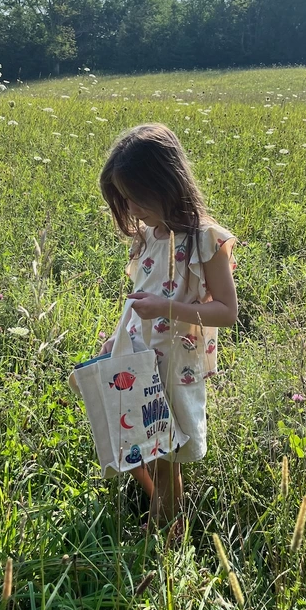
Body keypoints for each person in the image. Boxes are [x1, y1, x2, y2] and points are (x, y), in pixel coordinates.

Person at [99, 123, 238, 525]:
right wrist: (115, 340)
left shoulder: (205, 239)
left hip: (175, 366)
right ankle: (164, 508)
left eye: (135, 196)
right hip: (136, 360)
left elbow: (227, 311)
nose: (131, 207)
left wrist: (166, 308)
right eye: (124, 198)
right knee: (135, 445)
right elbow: (138, 300)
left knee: (163, 455)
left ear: (165, 183)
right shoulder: (147, 236)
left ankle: (162, 533)